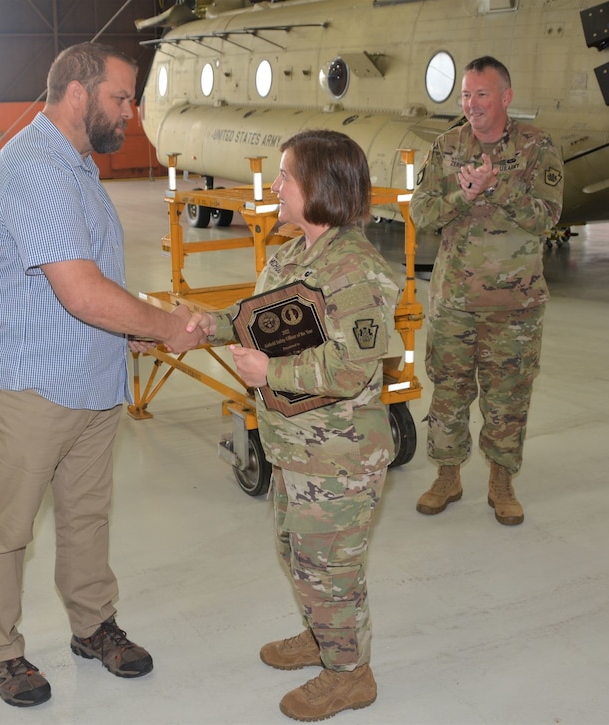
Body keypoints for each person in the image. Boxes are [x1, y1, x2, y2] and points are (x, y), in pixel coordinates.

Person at [0, 42, 205, 708]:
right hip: (27, 383)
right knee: (9, 526)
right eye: (121, 98)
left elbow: (95, 283)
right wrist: (164, 326)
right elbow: (82, 292)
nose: (130, 112)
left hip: (88, 377)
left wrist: (138, 327)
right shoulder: (36, 167)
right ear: (77, 93)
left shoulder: (75, 165)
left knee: (86, 514)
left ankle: (92, 624)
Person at [187, 129, 400, 721]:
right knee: (297, 551)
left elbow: (354, 368)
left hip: (339, 455)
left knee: (329, 564)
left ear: (322, 186)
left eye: (286, 175)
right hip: (295, 447)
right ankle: (321, 635)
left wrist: (269, 369)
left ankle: (349, 672)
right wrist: (211, 325)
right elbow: (257, 319)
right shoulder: (292, 254)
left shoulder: (357, 270)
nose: (276, 185)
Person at [409, 55, 564, 526]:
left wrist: (496, 189)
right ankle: (448, 476)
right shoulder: (447, 146)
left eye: (482, 95)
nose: (472, 105)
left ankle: (501, 482)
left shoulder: (538, 147)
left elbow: (547, 216)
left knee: (508, 397)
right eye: (465, 95)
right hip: (454, 301)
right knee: (449, 392)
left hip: (515, 306)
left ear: (506, 98)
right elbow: (421, 212)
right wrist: (466, 194)